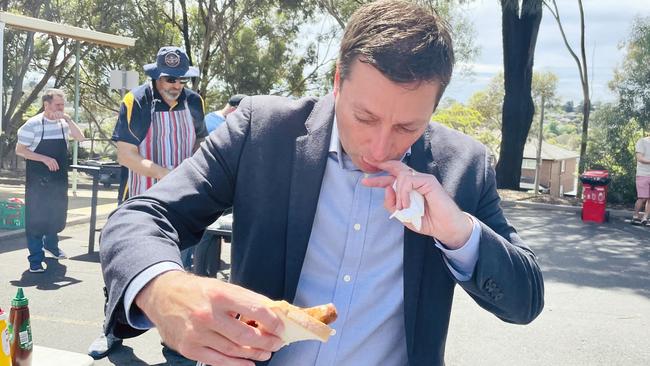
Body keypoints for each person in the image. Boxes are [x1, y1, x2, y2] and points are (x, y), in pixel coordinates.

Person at [100, 2, 544, 365]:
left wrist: (459, 233)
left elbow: (525, 300)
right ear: (337, 80)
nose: (380, 145)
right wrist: (162, 288)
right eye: (364, 116)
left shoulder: (463, 165)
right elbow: (139, 217)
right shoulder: (261, 131)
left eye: (408, 127)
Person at [87, 45, 208, 359]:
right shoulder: (137, 100)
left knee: (179, 273)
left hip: (182, 203)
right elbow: (126, 155)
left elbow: (198, 144)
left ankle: (176, 343)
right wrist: (167, 175)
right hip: (141, 199)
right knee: (122, 270)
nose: (175, 86)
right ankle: (111, 332)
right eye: (169, 79)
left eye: (181, 79)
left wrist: (193, 175)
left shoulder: (195, 103)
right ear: (156, 76)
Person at [15, 88, 85, 273]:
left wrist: (68, 119)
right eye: (58, 105)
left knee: (55, 215)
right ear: (46, 105)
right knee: (37, 219)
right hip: (37, 181)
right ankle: (35, 259)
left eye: (63, 105)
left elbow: (80, 137)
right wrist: (44, 158)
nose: (61, 109)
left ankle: (52, 246)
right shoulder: (32, 125)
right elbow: (20, 150)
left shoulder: (63, 124)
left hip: (58, 179)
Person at [632, 132, 650, 225]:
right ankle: (635, 216)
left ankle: (645, 218)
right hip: (643, 174)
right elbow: (639, 158)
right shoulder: (642, 141)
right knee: (642, 198)